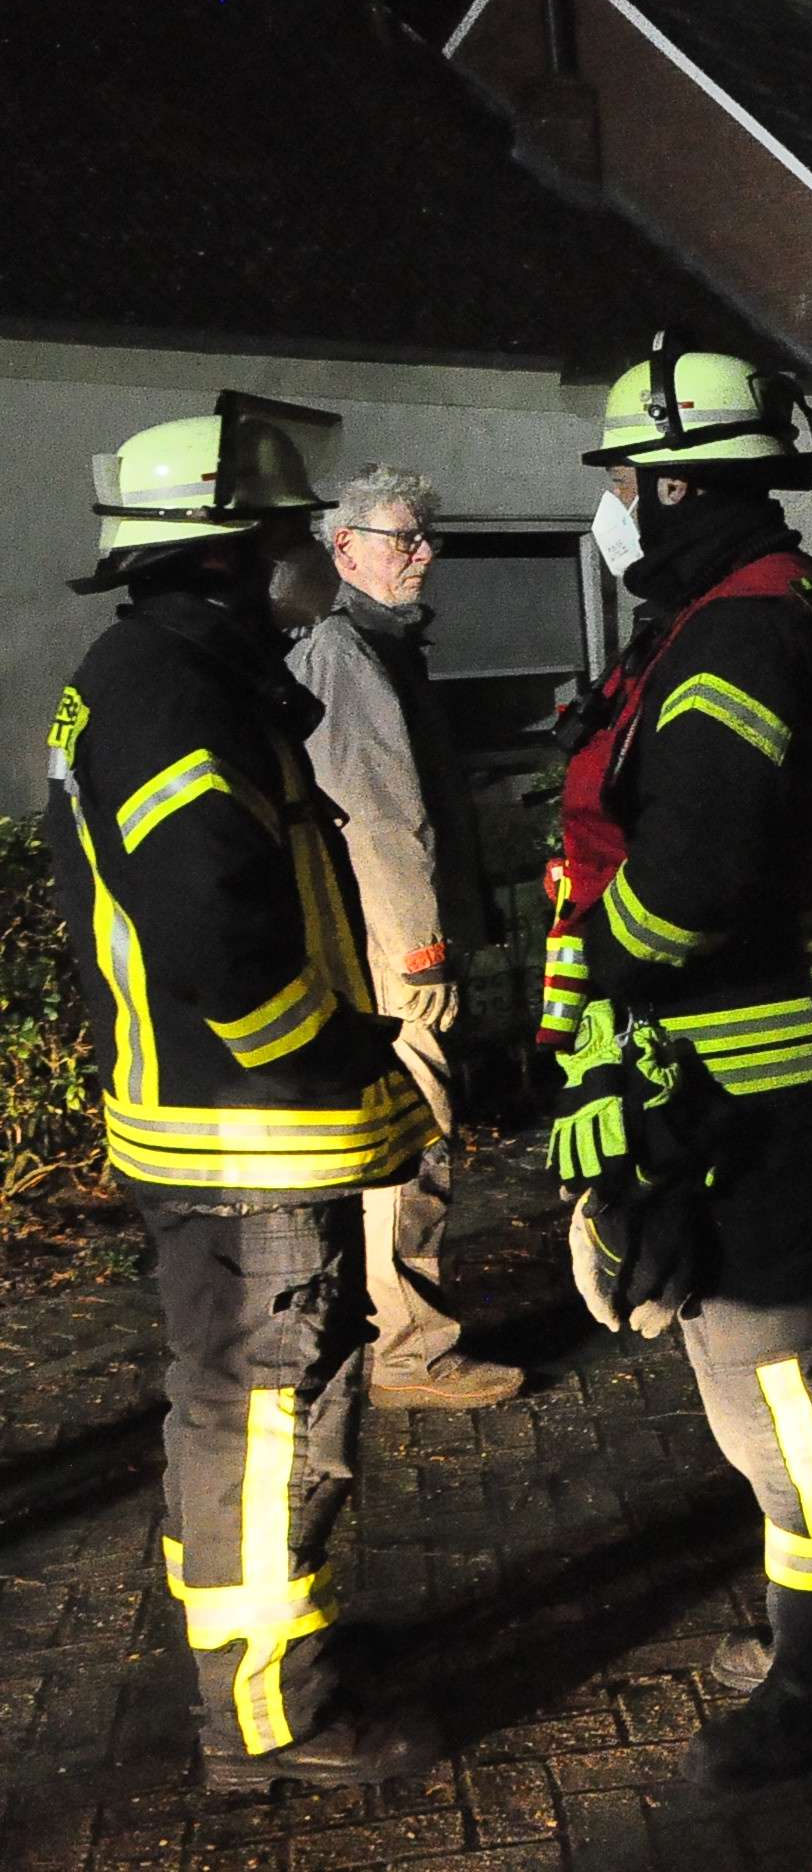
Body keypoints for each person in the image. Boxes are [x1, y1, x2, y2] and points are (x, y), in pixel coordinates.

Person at [542, 335, 812, 1788]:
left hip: (758, 1070)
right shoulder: (769, 608)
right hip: (797, 1057)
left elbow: (693, 880)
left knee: (777, 1373)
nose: (623, 506)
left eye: (633, 480)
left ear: (667, 483)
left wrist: (613, 988)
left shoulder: (736, 632)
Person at [43, 401, 442, 1790]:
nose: (310, 553)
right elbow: (217, 935)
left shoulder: (165, 673)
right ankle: (274, 1724)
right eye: (287, 534)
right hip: (245, 1133)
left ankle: (266, 1668)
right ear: (224, 553)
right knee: (267, 1426)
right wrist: (335, 1051)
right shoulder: (173, 695)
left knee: (246, 1419)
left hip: (229, 1127)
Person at [285, 465, 520, 1409]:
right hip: (392, 946)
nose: (422, 553)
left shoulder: (377, 647)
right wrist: (422, 951)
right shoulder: (348, 654)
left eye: (426, 537)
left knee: (395, 1136)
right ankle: (407, 1349)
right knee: (414, 1135)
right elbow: (378, 818)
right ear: (345, 549)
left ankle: (379, 1330)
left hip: (388, 937)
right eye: (400, 538)